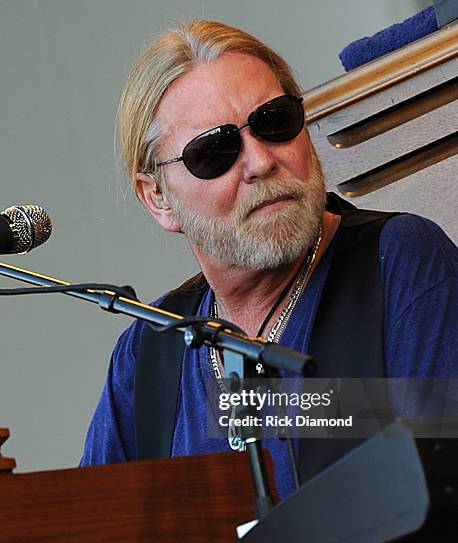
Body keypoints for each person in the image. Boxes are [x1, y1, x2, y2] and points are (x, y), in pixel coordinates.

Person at [80, 20, 458, 499]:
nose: (260, 161)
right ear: (158, 197)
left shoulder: (399, 263)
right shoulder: (147, 352)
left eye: (274, 121)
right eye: (214, 150)